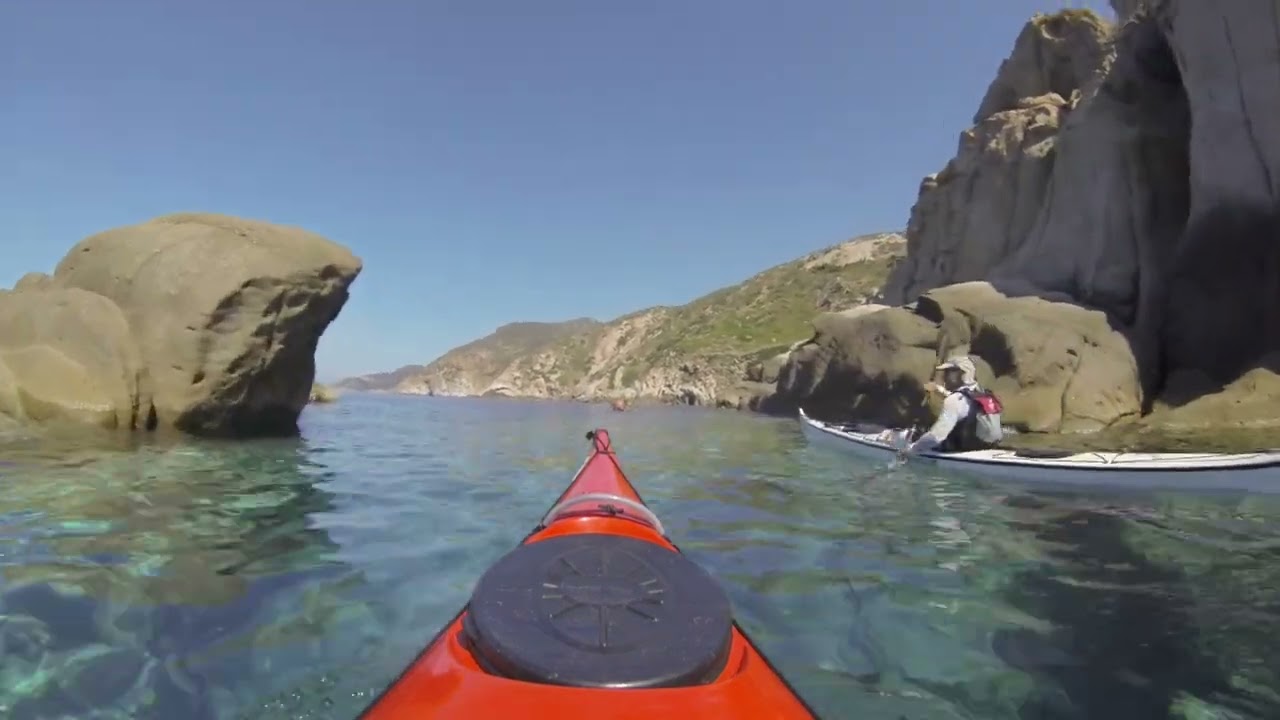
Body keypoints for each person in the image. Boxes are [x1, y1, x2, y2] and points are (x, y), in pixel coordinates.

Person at [898, 355, 1004, 459]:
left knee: (920, 433)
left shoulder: (954, 401)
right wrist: (938, 389)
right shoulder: (984, 394)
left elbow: (936, 437)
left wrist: (911, 450)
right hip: (987, 448)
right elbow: (965, 404)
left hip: (960, 452)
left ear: (961, 374)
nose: (943, 377)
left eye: (948, 372)